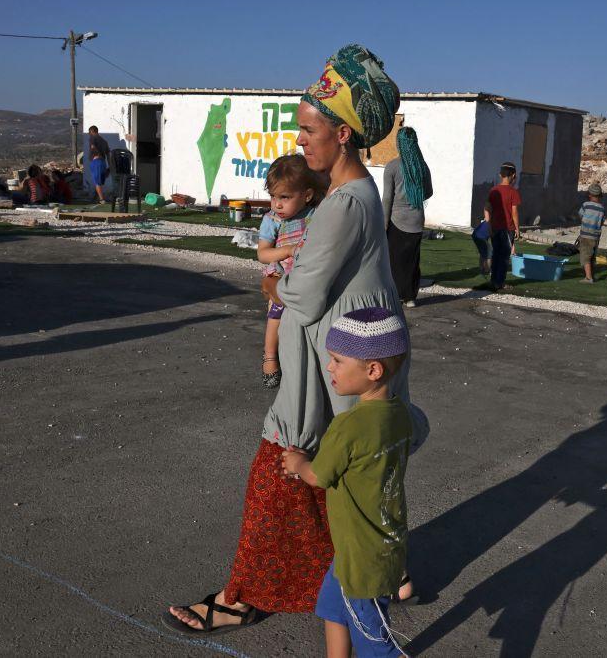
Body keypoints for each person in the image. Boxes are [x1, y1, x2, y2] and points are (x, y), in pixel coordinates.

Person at [163, 43, 421, 636]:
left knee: (285, 477)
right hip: (342, 365)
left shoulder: (341, 208)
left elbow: (295, 298)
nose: (300, 141)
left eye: (308, 130)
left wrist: (273, 278)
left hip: (342, 370)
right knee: (346, 482)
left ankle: (247, 596)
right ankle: (376, 574)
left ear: (344, 135)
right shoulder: (349, 198)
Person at [281, 307, 412, 658]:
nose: (329, 367)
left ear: (372, 370)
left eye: (338, 360)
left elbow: (318, 476)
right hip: (378, 543)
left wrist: (297, 463)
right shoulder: (399, 413)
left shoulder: (349, 426)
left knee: (375, 646)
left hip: (360, 556)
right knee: (333, 610)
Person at [257, 154, 325, 388]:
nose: (277, 204)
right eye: (273, 196)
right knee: (275, 315)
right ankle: (269, 356)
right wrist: (285, 250)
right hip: (279, 276)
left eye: (285, 197)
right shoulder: (272, 220)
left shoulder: (315, 214)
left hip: (306, 277)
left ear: (307, 195)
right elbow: (263, 253)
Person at [382, 127, 433, 308]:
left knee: (395, 261)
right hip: (417, 220)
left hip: (397, 220)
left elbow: (387, 198)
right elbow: (429, 192)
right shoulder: (422, 166)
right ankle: (411, 297)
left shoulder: (392, 167)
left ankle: (396, 295)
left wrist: (384, 222)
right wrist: (415, 197)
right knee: (413, 260)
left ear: (399, 143)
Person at [485, 162, 521, 291]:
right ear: (514, 175)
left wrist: (488, 224)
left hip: (494, 227)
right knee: (504, 256)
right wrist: (517, 228)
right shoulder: (513, 192)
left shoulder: (493, 190)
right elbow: (514, 212)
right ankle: (499, 283)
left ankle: (494, 281)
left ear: (500, 175)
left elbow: (488, 208)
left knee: (496, 254)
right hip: (507, 228)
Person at [578, 183, 605, 283]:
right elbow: (602, 221)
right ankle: (591, 274)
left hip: (586, 235)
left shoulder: (586, 205)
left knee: (585, 256)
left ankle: (588, 278)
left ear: (589, 194)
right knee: (592, 256)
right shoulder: (602, 209)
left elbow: (580, 214)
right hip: (596, 236)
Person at [88, 125, 110, 203]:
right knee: (99, 181)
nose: (89, 134)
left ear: (91, 131)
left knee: (97, 182)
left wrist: (98, 154)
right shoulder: (104, 141)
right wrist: (109, 166)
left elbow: (93, 146)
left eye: (89, 133)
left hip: (96, 161)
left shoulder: (93, 137)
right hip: (103, 162)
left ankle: (101, 199)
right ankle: (99, 197)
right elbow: (108, 154)